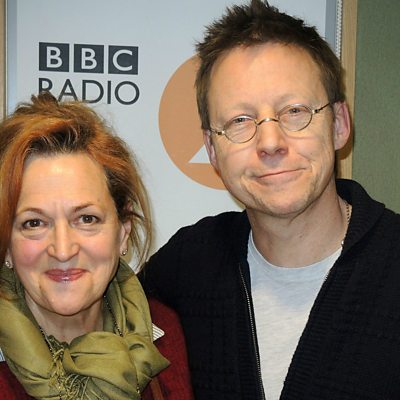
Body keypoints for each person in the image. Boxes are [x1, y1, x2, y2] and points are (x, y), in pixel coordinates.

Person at [139, 1, 400, 399]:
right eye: (240, 121)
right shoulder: (187, 266)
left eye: (294, 111)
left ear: (339, 124)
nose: (271, 142)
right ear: (212, 149)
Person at [0, 92, 194, 400]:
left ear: (122, 233)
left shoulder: (169, 335)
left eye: (86, 219)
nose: (63, 250)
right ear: (7, 245)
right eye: (34, 223)